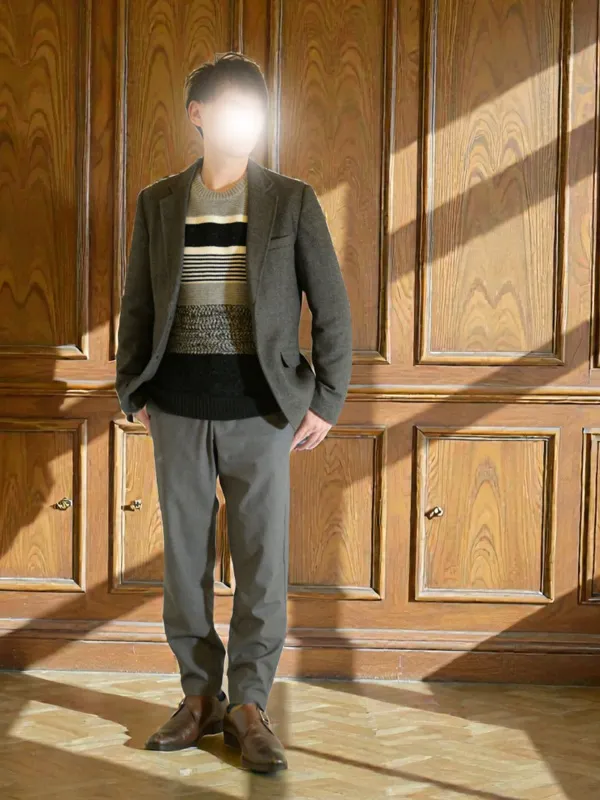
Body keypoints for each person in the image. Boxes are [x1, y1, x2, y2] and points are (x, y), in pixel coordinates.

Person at [115, 52, 352, 773]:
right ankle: (200, 699)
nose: (243, 123)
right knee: (184, 564)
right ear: (198, 115)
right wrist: (133, 387)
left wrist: (328, 400)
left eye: (255, 112)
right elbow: (138, 303)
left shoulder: (291, 200)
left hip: (264, 411)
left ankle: (249, 705)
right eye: (228, 110)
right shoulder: (159, 202)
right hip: (177, 408)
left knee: (261, 566)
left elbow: (332, 306)